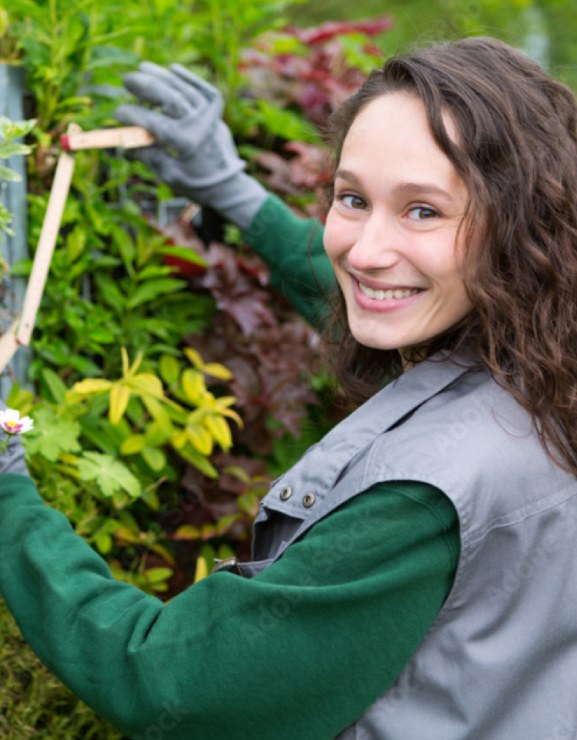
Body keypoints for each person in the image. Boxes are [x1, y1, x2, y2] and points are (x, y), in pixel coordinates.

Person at [1, 35, 577, 739]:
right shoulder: (547, 359)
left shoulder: (421, 499)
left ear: (519, 227)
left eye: (422, 210)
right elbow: (380, 292)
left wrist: (7, 490)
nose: (363, 250)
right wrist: (234, 193)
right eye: (351, 198)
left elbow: (174, 684)